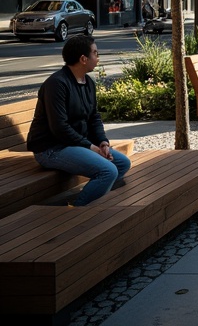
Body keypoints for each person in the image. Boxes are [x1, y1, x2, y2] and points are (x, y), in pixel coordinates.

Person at [26, 34, 131, 206]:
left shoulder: (87, 82)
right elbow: (59, 127)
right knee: (108, 171)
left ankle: (92, 200)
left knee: (122, 163)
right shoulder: (57, 84)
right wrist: (91, 147)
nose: (98, 58)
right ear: (83, 59)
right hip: (51, 148)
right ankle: (78, 211)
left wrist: (103, 142)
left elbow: (93, 117)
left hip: (74, 144)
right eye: (95, 53)